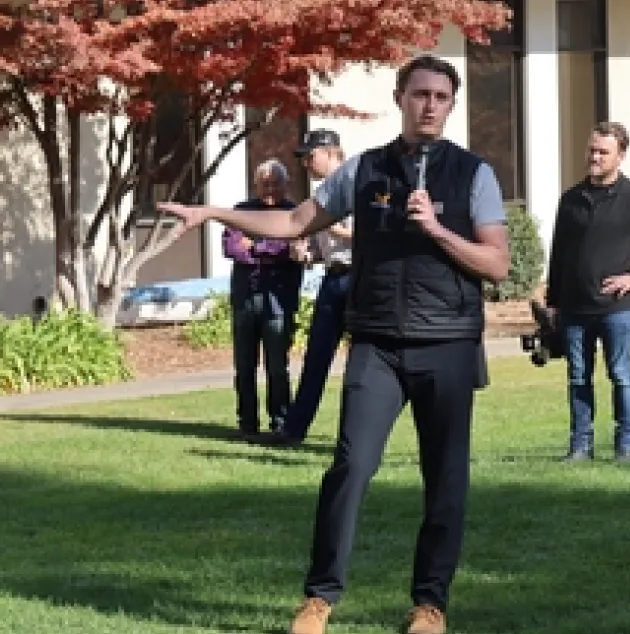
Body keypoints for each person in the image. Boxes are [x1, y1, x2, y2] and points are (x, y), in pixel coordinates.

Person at [156, 54, 510, 634]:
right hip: (377, 344)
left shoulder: (474, 175)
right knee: (349, 466)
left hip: (447, 343)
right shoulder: (364, 171)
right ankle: (319, 600)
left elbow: (496, 263)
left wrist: (438, 230)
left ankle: (429, 606)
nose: (430, 105)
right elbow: (295, 223)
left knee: (445, 477)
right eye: (420, 93)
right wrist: (214, 212)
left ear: (451, 104)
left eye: (441, 96)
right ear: (400, 98)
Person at [540, 121, 630, 465]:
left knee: (621, 376)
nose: (595, 157)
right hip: (574, 309)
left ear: (621, 156)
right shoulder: (571, 200)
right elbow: (559, 254)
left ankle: (625, 447)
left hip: (615, 309)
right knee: (577, 378)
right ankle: (580, 447)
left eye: (603, 152)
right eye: (592, 150)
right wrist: (553, 303)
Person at [259, 129, 351, 447]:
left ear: (330, 152)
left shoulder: (360, 183)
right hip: (332, 278)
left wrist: (334, 229)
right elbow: (317, 241)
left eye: (310, 156)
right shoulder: (320, 194)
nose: (306, 164)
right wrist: (307, 253)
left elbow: (374, 232)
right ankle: (293, 430)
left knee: (361, 363)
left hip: (358, 279)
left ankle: (353, 436)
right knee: (316, 358)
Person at [224, 159, 309, 438]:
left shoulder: (295, 213)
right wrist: (273, 247)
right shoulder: (242, 211)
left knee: (277, 366)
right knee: (244, 366)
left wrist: (257, 245)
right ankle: (247, 424)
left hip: (278, 300)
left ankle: (280, 423)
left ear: (285, 185)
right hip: (245, 298)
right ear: (255, 185)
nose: (269, 189)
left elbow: (292, 251)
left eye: (275, 183)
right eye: (264, 184)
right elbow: (232, 247)